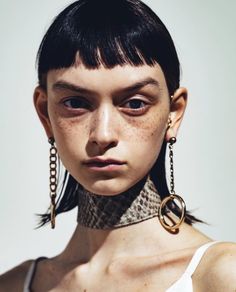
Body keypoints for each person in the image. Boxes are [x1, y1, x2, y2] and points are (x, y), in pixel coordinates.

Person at [0, 0, 236, 291]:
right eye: (75, 103)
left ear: (173, 113)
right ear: (45, 113)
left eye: (135, 104)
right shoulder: (13, 285)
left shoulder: (221, 275)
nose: (103, 133)